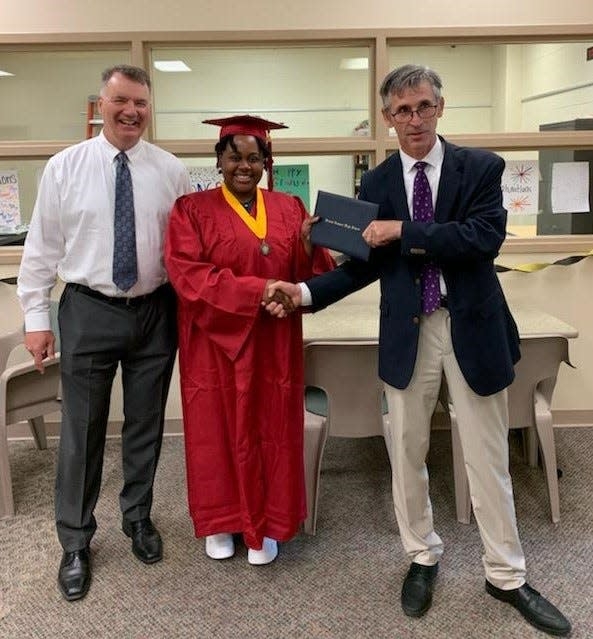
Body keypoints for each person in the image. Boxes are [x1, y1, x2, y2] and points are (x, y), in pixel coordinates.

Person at [266, 65, 571, 636]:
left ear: (440, 107)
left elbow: (482, 238)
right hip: (410, 332)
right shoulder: (378, 183)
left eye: (423, 106)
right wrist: (305, 291)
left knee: (487, 456)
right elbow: (364, 266)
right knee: (405, 453)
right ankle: (421, 556)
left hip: (470, 326)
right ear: (387, 117)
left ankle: (506, 574)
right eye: (402, 110)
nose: (414, 119)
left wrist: (401, 232)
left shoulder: (479, 168)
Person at [17, 64, 191, 602]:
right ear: (101, 103)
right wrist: (37, 320)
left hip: (154, 311)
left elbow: (186, 250)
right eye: (121, 101)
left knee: (145, 423)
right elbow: (41, 249)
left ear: (149, 107)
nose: (131, 112)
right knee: (83, 431)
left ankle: (137, 518)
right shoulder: (65, 167)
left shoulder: (171, 170)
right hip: (88, 309)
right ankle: (75, 540)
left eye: (140, 102)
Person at [164, 115, 334, 565]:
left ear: (266, 162)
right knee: (215, 428)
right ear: (218, 160)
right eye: (234, 156)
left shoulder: (289, 207)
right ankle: (221, 521)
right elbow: (189, 276)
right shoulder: (190, 210)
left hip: (274, 339)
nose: (244, 165)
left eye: (254, 157)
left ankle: (267, 524)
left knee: (272, 429)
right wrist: (258, 290)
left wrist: (305, 246)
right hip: (214, 342)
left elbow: (310, 274)